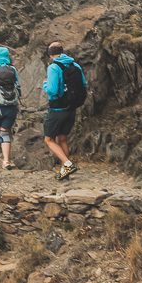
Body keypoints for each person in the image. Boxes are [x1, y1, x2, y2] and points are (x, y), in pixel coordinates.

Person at [42, 41, 87, 180]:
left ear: (50, 55)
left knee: (49, 139)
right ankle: (65, 171)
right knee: (62, 138)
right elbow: (84, 84)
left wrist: (45, 85)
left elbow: (53, 91)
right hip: (72, 107)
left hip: (57, 108)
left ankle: (67, 164)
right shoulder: (75, 65)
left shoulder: (54, 67)